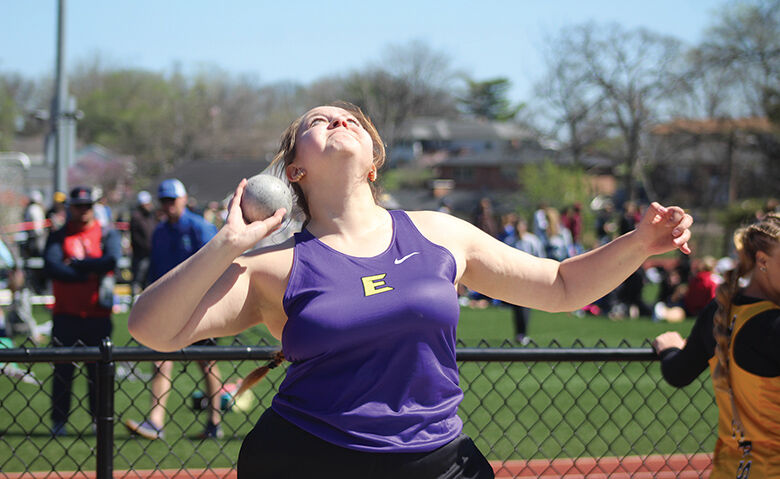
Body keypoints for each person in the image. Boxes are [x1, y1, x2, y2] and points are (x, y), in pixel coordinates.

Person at [127, 102, 693, 479]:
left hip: (437, 461)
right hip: (309, 461)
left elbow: (563, 284)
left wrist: (641, 242)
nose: (338, 121)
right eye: (316, 123)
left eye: (349, 119)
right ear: (292, 171)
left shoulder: (439, 231)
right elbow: (150, 329)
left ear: (375, 162)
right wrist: (228, 243)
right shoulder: (274, 267)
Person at [652, 213, 780, 478]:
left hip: (730, 469)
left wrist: (670, 349)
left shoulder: (719, 310)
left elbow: (678, 373)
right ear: (762, 261)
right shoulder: (771, 324)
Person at [123, 179, 223, 440]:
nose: (167, 206)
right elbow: (157, 274)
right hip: (170, 308)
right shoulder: (160, 232)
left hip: (201, 307)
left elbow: (218, 265)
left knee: (208, 364)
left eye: (171, 200)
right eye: (163, 201)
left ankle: (214, 421)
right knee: (161, 361)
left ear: (183, 199)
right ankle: (156, 421)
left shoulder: (201, 228)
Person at [43, 186, 121, 436]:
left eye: (88, 205)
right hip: (66, 314)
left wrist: (78, 266)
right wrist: (90, 272)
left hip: (97, 315)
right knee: (63, 371)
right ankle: (59, 422)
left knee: (99, 372)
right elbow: (54, 267)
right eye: (79, 205)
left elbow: (110, 261)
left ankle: (100, 421)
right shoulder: (59, 235)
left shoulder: (106, 232)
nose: (84, 210)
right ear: (70, 207)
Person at [511, 218, 545, 344]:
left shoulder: (532, 241)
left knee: (525, 305)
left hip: (529, 276)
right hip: (515, 277)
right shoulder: (512, 241)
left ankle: (524, 333)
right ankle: (518, 333)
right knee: (516, 307)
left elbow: (540, 256)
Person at [129, 191, 157, 297]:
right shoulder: (136, 218)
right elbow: (138, 238)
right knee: (138, 278)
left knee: (148, 280)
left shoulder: (151, 217)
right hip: (141, 255)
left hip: (150, 254)